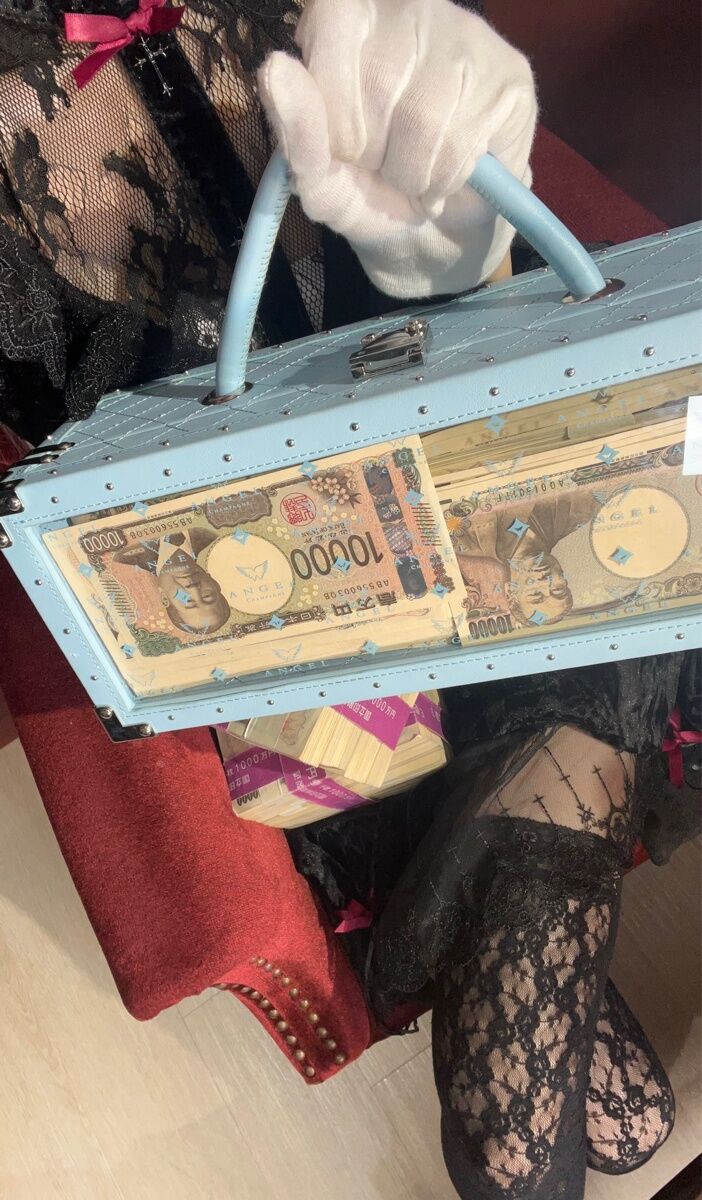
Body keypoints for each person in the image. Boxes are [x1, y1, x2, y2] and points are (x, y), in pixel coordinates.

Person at [0, 1, 696, 1198]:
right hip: (310, 633)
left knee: (551, 1129)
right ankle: (490, 860)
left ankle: (489, 872)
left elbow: (478, 305)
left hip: (511, 526)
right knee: (619, 1121)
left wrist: (457, 248)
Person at [114, 530, 231, 633]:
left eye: (187, 600)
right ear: (215, 583)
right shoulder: (208, 533)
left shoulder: (122, 554)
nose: (194, 589)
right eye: (207, 596)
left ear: (165, 598)